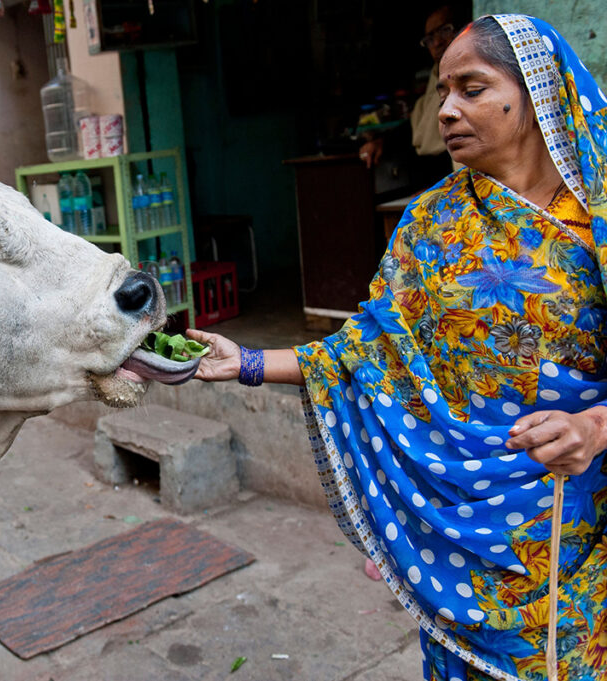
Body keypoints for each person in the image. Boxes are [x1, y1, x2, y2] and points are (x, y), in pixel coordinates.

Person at [191, 15, 607, 681]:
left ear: (537, 96)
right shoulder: (429, 225)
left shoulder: (597, 221)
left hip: (576, 525)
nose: (446, 111)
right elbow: (370, 354)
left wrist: (592, 426)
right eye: (443, 91)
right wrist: (243, 362)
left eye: (471, 89)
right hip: (461, 538)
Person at [359, 5, 459, 188]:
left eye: (444, 31)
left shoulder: (466, 77)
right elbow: (415, 129)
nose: (437, 42)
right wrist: (381, 142)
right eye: (429, 39)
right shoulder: (435, 79)